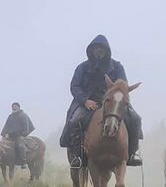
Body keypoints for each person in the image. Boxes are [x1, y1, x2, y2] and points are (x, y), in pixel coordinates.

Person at [59, 35, 143, 168]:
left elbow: (123, 85)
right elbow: (74, 86)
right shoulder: (82, 68)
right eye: (96, 49)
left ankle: (132, 154)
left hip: (113, 101)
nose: (98, 51)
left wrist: (114, 94)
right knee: (74, 120)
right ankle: (77, 156)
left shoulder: (117, 66)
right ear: (91, 51)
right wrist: (85, 100)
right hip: (88, 102)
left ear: (106, 50)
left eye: (101, 49)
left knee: (135, 118)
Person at [0, 102, 35, 168]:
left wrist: (23, 135)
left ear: (19, 107)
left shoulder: (23, 115)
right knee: (2, 146)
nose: (14, 108)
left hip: (20, 135)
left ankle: (23, 162)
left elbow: (26, 126)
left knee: (20, 146)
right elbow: (6, 126)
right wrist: (4, 134)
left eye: (15, 106)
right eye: (13, 107)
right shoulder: (10, 116)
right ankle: (2, 161)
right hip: (10, 136)